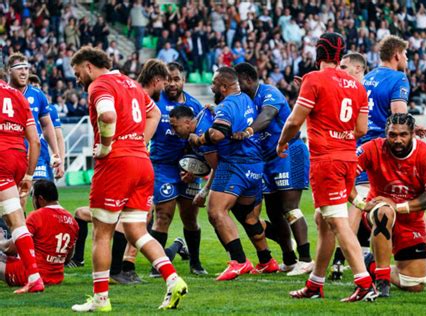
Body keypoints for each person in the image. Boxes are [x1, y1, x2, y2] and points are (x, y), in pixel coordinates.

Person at [70, 47, 187, 312]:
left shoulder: (100, 85)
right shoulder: (133, 84)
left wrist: (106, 146)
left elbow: (108, 115)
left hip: (116, 165)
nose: (78, 79)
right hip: (142, 163)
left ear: (89, 66)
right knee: (136, 230)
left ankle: (100, 300)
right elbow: (154, 113)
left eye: (78, 73)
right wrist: (139, 142)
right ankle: (173, 280)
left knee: (102, 234)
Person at [278, 32, 377, 302]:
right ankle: (315, 284)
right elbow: (361, 129)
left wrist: (281, 144)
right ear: (339, 54)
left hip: (327, 161)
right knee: (323, 221)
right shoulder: (358, 86)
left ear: (318, 53)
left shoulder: (313, 79)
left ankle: (365, 283)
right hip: (348, 159)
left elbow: (294, 122)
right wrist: (340, 134)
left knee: (337, 221)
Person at [359, 35, 426, 277]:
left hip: (365, 146)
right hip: (388, 149)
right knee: (415, 201)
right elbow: (399, 113)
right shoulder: (398, 78)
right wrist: (411, 129)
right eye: (406, 55)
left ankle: (355, 259)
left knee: (368, 206)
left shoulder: (368, 78)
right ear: (397, 54)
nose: (407, 59)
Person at [189, 66, 275, 281]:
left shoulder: (226, 106)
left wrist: (198, 139)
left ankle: (239, 261)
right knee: (249, 216)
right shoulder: (245, 98)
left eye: (215, 84)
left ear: (224, 86)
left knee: (216, 211)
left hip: (235, 163)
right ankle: (267, 260)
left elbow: (218, 134)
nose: (211, 87)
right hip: (255, 164)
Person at [234, 62, 311, 275]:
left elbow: (267, 116)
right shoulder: (245, 101)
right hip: (267, 159)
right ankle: (290, 259)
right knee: (274, 213)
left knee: (289, 207)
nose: (236, 87)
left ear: (248, 79)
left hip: (288, 151)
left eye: (238, 82)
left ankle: (306, 259)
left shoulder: (269, 92)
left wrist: (249, 130)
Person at [355, 113, 426, 296]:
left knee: (415, 285)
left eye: (403, 135)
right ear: (385, 133)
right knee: (385, 212)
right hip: (378, 212)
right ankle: (382, 282)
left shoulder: (425, 153)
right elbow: (344, 174)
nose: (397, 140)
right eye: (392, 135)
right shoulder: (371, 148)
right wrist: (360, 203)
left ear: (412, 133)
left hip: (411, 220)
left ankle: (371, 264)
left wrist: (399, 206)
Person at [139, 61, 207, 276]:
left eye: (176, 78)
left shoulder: (195, 106)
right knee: (163, 216)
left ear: (183, 80)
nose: (171, 83)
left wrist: (194, 170)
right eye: (167, 79)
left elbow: (201, 141)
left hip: (190, 168)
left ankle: (195, 263)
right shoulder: (154, 103)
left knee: (190, 218)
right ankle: (157, 266)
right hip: (162, 167)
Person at [330, 52, 371, 280]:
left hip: (364, 153)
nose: (340, 71)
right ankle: (362, 255)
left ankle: (339, 260)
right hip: (348, 152)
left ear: (358, 69)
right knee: (354, 203)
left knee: (355, 205)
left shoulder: (361, 91)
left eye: (344, 67)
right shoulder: (348, 90)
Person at [0, 79, 42, 293]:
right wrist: (28, 174)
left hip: (1, 158)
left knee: (15, 220)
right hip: (18, 159)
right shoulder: (18, 95)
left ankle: (33, 277)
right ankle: (33, 276)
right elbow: (34, 141)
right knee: (14, 219)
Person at [0, 180, 78, 287]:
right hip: (56, 277)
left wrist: (1, 241)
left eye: (33, 197)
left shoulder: (37, 216)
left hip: (28, 275)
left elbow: (12, 249)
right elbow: (67, 258)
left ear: (40, 199)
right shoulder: (73, 222)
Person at [7, 53, 62, 203]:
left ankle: (47, 224)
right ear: (9, 71)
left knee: (43, 194)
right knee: (18, 198)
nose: (24, 72)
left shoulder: (37, 95)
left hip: (36, 153)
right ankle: (19, 226)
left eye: (26, 68)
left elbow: (47, 124)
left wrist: (56, 153)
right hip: (11, 152)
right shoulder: (4, 93)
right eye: (19, 68)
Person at [28, 74, 65, 180]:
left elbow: (59, 137)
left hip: (43, 159)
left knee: (44, 193)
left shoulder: (50, 110)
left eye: (36, 86)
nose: (34, 89)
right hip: (21, 155)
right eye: (31, 85)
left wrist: (60, 161)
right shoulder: (17, 105)